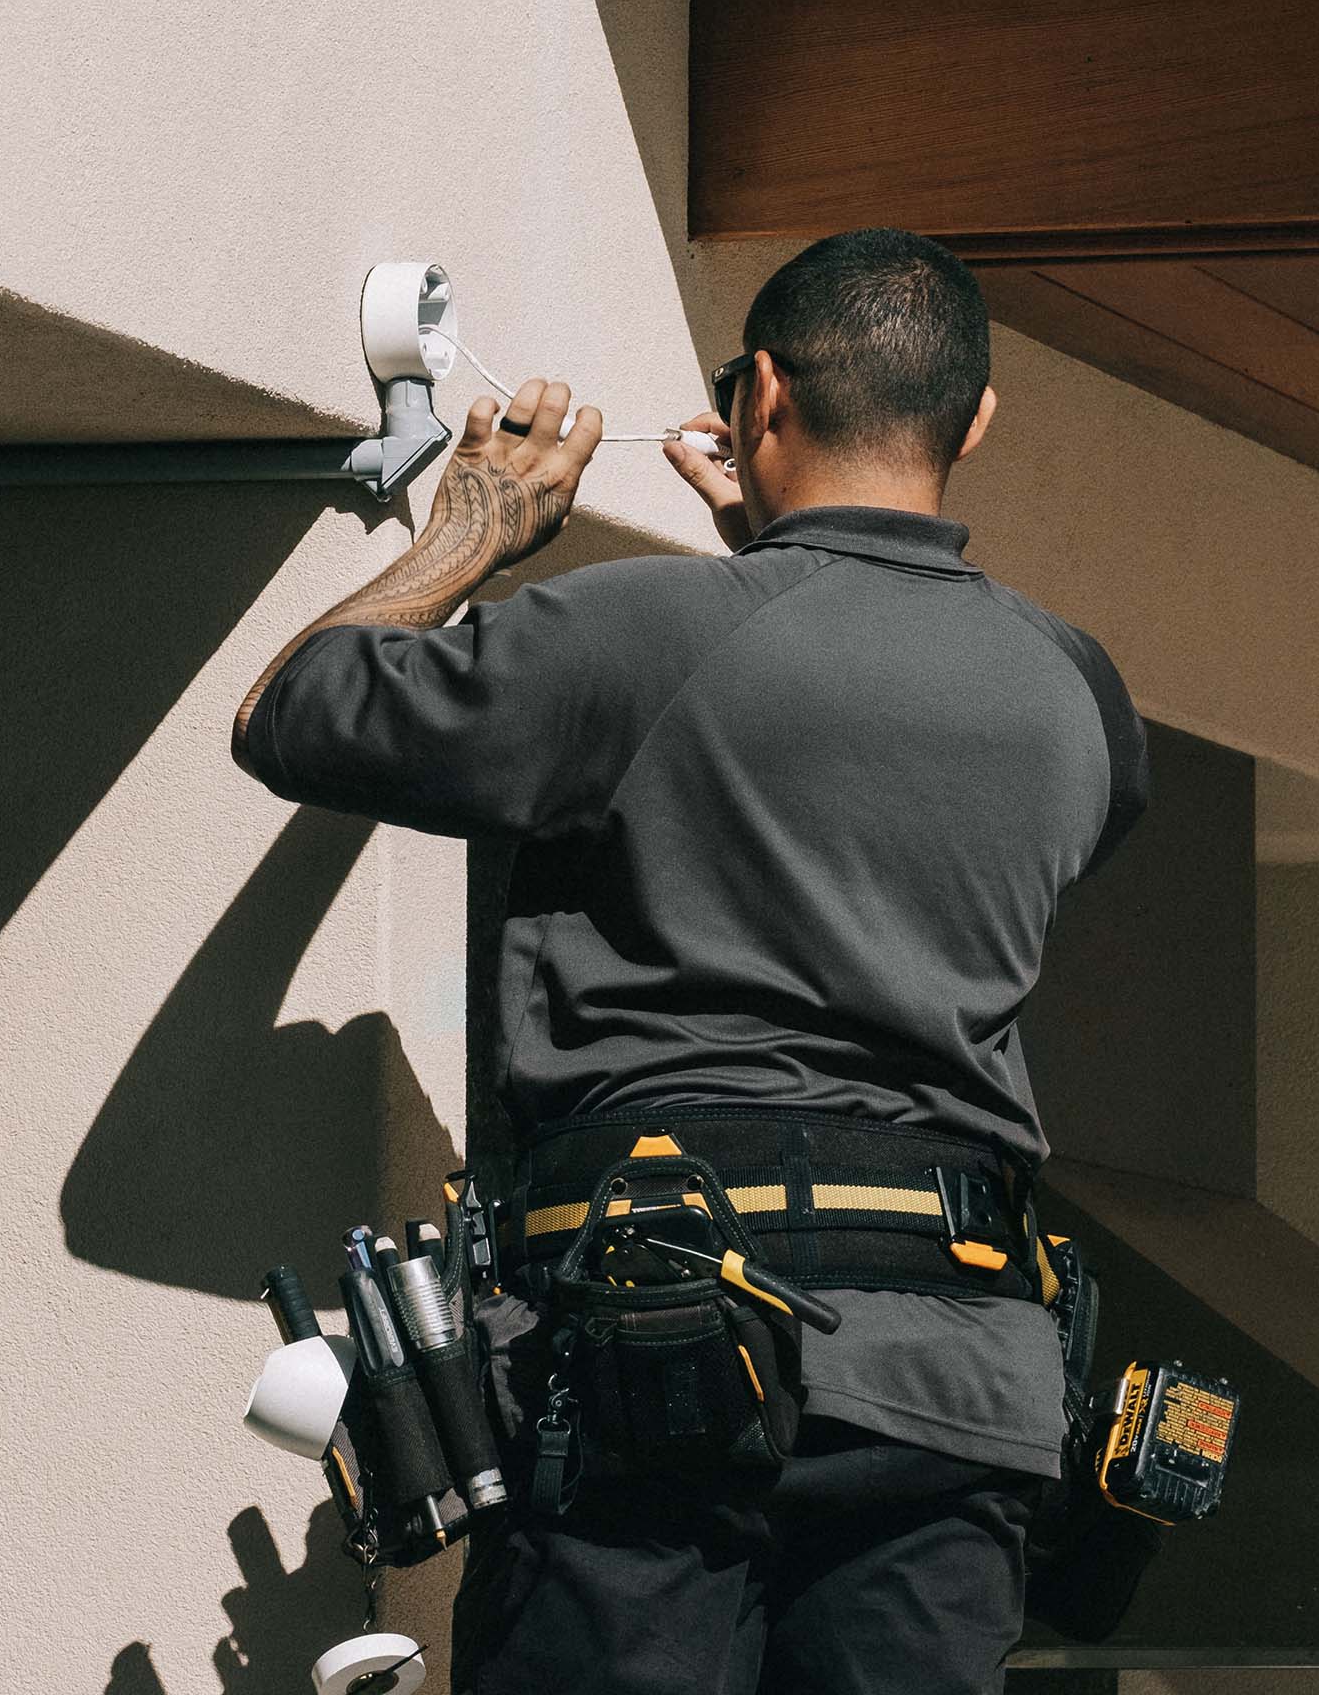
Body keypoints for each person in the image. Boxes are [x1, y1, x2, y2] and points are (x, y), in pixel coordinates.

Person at [232, 228, 1149, 1695]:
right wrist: (770, 584)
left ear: (762, 396)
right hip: (960, 1380)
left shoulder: (645, 637)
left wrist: (474, 524)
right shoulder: (1081, 698)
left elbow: (297, 710)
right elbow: (861, 785)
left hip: (654, 1355)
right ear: (973, 421)